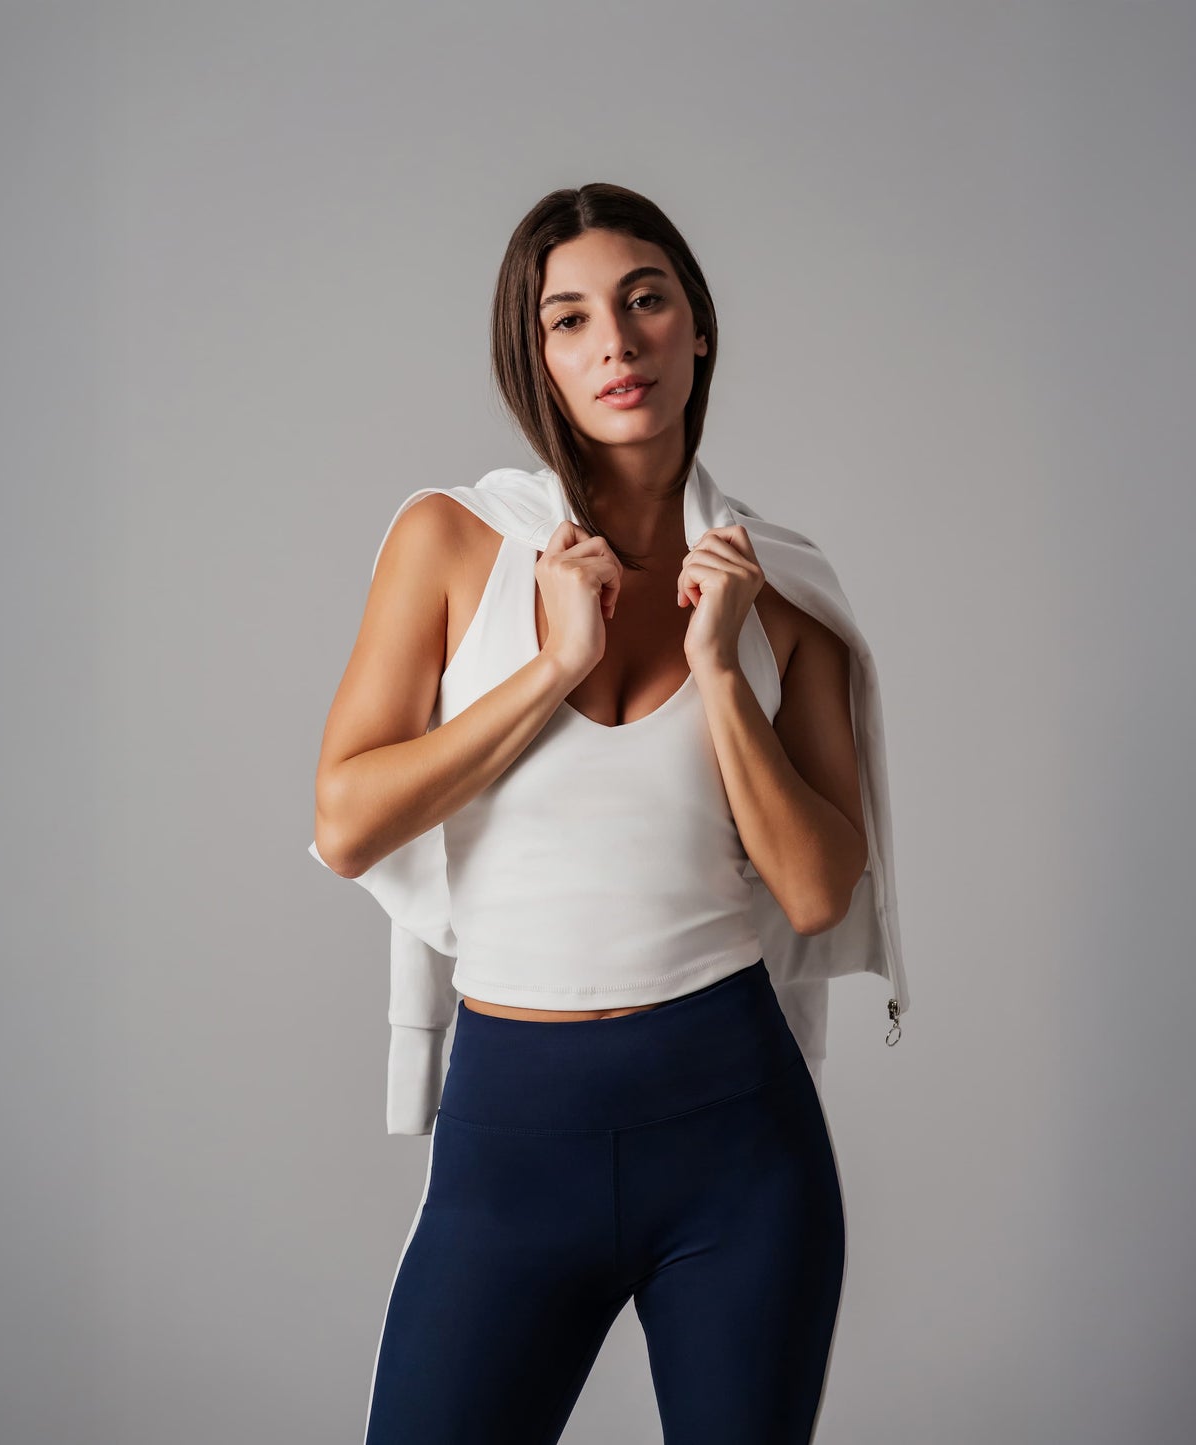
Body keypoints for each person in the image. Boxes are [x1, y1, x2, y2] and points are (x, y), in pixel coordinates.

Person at [312, 183, 870, 1445]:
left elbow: (817, 887)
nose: (614, 342)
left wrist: (720, 664)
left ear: (697, 328)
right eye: (569, 319)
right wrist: (554, 664)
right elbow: (347, 820)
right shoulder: (453, 543)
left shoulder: (775, 592)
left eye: (644, 300)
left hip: (736, 1142)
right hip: (512, 1140)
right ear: (537, 355)